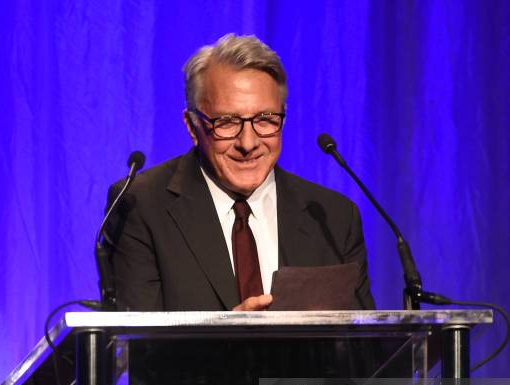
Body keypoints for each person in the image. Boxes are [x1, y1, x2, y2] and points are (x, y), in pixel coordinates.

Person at [108, 33, 374, 312]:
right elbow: (136, 348)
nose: (248, 143)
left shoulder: (334, 218)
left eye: (265, 119)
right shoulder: (140, 206)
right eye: (227, 122)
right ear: (192, 126)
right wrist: (226, 339)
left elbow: (364, 348)